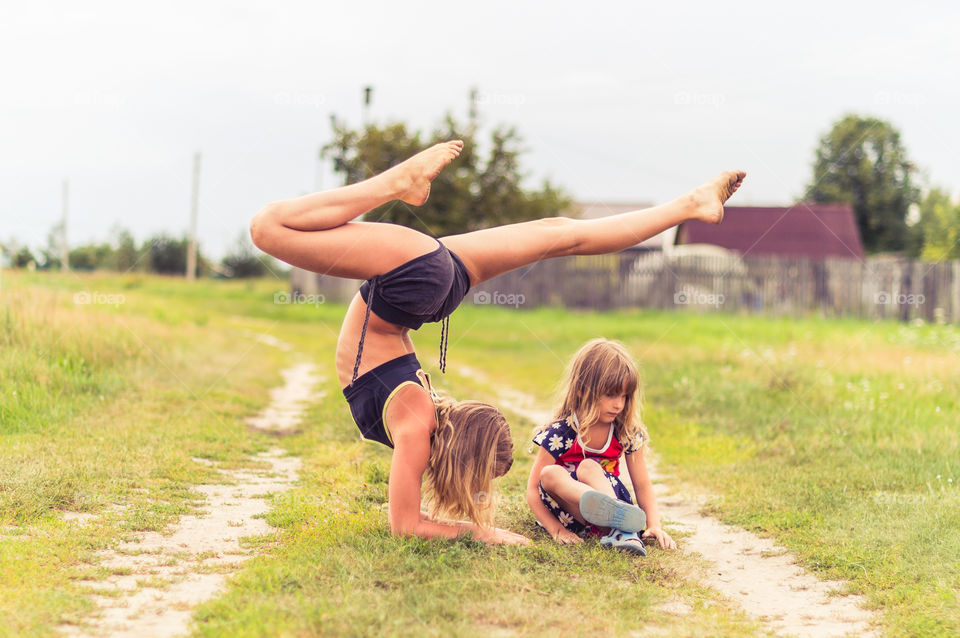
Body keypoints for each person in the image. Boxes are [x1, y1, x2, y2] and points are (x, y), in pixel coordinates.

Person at [249, 140, 744, 546]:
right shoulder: (417, 424)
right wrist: (489, 533)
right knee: (266, 228)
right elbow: (406, 524)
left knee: (564, 234)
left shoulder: (419, 426)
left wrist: (490, 532)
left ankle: (690, 205)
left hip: (427, 286)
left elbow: (406, 527)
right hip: (414, 283)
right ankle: (689, 205)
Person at [527, 338, 676, 554]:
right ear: (581, 389)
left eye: (624, 396)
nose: (619, 404)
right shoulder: (560, 433)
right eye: (611, 394)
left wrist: (654, 525)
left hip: (609, 509)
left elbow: (642, 485)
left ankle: (618, 521)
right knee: (549, 473)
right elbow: (532, 490)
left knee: (588, 467)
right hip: (568, 515)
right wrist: (556, 530)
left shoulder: (624, 432)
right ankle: (616, 523)